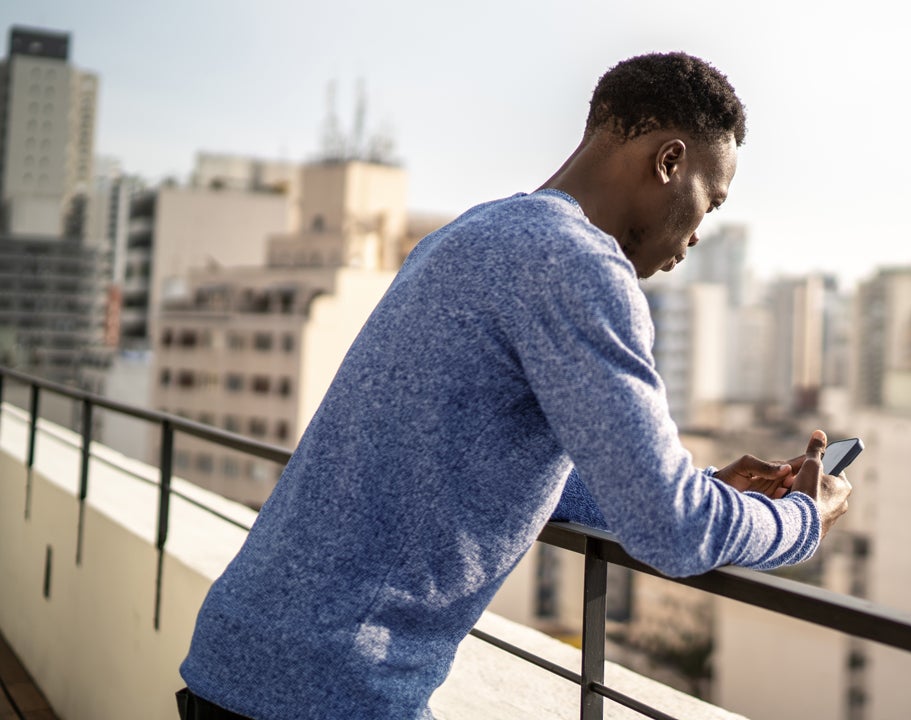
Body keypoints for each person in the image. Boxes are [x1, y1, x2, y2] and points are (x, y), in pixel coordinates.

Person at [176, 51, 853, 720]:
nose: (700, 232)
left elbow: (492, 460)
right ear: (669, 162)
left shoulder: (470, 234)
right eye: (711, 199)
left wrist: (696, 485)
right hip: (326, 689)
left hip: (238, 656)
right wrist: (800, 521)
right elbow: (670, 531)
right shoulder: (580, 264)